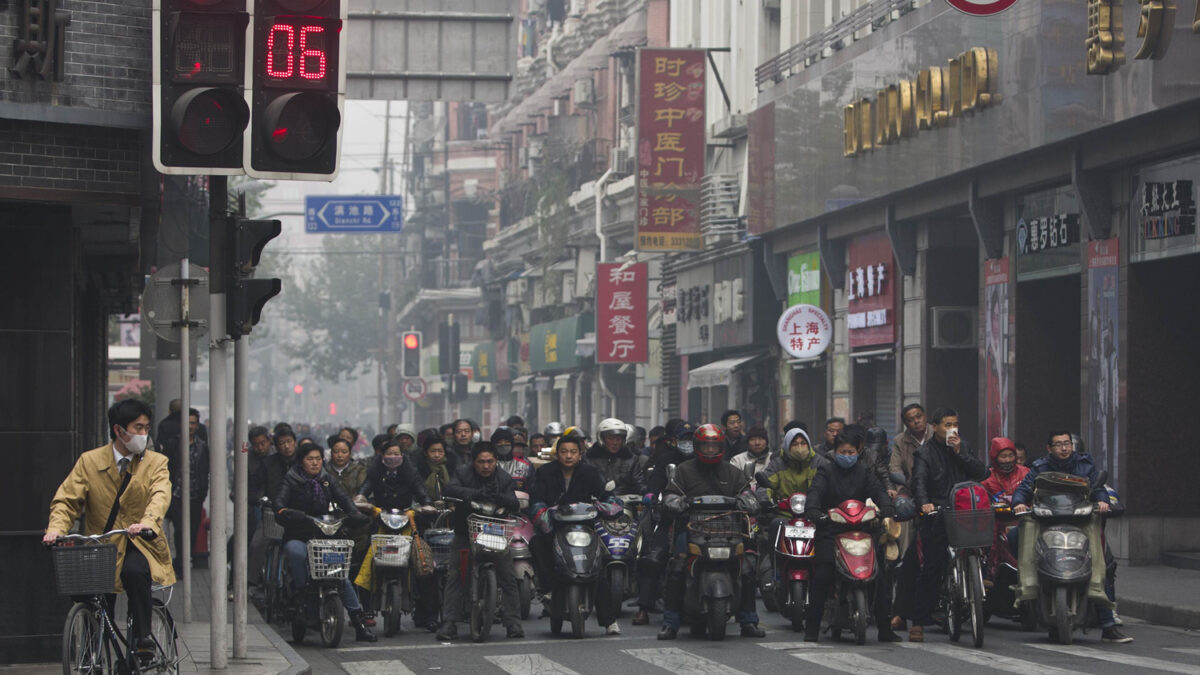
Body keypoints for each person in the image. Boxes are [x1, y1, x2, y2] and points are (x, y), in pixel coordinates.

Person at [45, 399, 174, 658]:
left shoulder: (156, 462)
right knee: (92, 597)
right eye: (138, 427)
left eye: (146, 427)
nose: (143, 434)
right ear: (118, 430)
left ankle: (142, 638)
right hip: (101, 544)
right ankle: (92, 652)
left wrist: (148, 523)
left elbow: (160, 495)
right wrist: (56, 528)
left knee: (135, 572)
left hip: (140, 542)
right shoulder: (89, 461)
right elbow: (67, 500)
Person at [1012, 431, 1130, 643]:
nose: (1064, 448)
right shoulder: (1039, 467)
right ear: (1050, 448)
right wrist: (1019, 502)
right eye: (1059, 444)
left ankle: (1108, 625)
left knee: (1100, 563)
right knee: (1025, 543)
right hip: (1046, 522)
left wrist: (1102, 502)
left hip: (1081, 522)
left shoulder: (1085, 465)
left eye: (1067, 444)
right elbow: (1024, 488)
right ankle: (1029, 592)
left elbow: (1098, 488)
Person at [657, 424, 765, 640]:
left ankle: (748, 621)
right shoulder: (684, 470)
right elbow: (670, 495)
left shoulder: (732, 471)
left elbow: (747, 493)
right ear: (698, 447)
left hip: (730, 531)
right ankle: (671, 623)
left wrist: (750, 501)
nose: (710, 451)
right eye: (705, 446)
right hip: (691, 531)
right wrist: (675, 503)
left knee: (747, 568)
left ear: (721, 447)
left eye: (714, 446)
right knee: (677, 568)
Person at [801, 426, 898, 642]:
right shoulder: (825, 471)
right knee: (823, 575)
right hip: (831, 530)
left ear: (858, 451)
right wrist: (815, 511)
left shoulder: (864, 472)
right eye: (843, 452)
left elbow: (879, 492)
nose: (847, 456)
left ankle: (885, 629)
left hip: (861, 530)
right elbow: (815, 494)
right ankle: (812, 629)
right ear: (835, 452)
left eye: (851, 452)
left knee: (880, 576)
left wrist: (887, 509)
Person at [274, 443, 376, 642]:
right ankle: (301, 597)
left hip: (325, 536)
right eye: (310, 459)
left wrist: (356, 515)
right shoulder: (291, 479)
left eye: (318, 459)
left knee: (341, 576)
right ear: (301, 461)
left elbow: (345, 500)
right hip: (299, 535)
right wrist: (288, 512)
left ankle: (359, 624)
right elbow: (279, 503)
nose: (314, 463)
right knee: (297, 553)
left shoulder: (326, 479)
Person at [908, 407, 988, 642]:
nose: (951, 428)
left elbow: (981, 472)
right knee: (932, 567)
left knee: (982, 549)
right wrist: (924, 504)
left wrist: (960, 451)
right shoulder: (925, 453)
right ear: (935, 426)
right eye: (946, 424)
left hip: (964, 512)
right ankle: (919, 622)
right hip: (938, 514)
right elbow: (919, 481)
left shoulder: (963, 447)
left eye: (954, 423)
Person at [530, 434, 619, 633]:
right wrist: (544, 514)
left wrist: (609, 506)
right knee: (537, 544)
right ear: (557, 454)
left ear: (580, 454)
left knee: (597, 567)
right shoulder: (545, 472)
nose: (568, 456)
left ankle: (610, 620)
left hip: (585, 528)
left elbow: (607, 496)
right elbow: (536, 500)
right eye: (563, 452)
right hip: (554, 528)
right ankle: (549, 591)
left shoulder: (590, 473)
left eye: (573, 452)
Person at [436, 444, 524, 640]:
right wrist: (475, 494)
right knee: (455, 576)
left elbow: (515, 503)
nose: (486, 466)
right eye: (481, 462)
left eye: (490, 462)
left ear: (496, 462)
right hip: (465, 533)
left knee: (508, 577)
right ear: (473, 462)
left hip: (496, 533)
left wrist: (498, 497)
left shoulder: (504, 478)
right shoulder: (462, 472)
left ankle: (513, 624)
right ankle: (449, 623)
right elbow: (450, 489)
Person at [354, 437, 435, 630]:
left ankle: (426, 613)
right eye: (389, 454)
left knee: (422, 562)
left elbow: (421, 492)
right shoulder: (374, 473)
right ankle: (365, 610)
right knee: (365, 559)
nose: (393, 457)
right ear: (382, 456)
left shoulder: (411, 473)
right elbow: (364, 489)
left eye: (397, 454)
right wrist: (361, 500)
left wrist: (427, 505)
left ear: (402, 456)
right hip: (381, 520)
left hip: (408, 522)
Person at [632, 419, 695, 626]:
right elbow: (656, 482)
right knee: (653, 557)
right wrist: (651, 494)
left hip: (703, 520)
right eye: (683, 439)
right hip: (673, 519)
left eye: (690, 439)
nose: (687, 443)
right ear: (674, 441)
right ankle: (643, 608)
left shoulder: (703, 459)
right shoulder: (665, 459)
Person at [888, 403, 929, 630]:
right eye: (911, 419)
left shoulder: (943, 440)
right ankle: (900, 611)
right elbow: (895, 470)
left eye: (919, 417)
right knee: (908, 547)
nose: (917, 422)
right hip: (912, 493)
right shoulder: (900, 441)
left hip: (938, 497)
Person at [327, 435, 370, 607]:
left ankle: (364, 608)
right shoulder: (324, 470)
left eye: (343, 452)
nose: (339, 455)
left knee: (359, 564)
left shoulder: (359, 470)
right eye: (336, 451)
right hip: (330, 522)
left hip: (355, 523)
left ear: (350, 453)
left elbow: (363, 492)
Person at [165, 407, 209, 573]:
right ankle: (181, 564)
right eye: (187, 423)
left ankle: (184, 560)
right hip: (177, 494)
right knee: (180, 529)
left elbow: (205, 470)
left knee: (192, 530)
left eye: (193, 423)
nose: (190, 426)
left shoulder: (202, 447)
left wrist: (204, 491)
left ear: (197, 426)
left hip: (196, 495)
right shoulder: (173, 443)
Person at [586, 418, 646, 496]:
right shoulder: (589, 458)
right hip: (596, 503)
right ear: (602, 439)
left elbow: (639, 482)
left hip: (625, 504)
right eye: (610, 439)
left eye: (618, 439)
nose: (615, 443)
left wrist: (647, 492)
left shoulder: (631, 459)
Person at [981, 437, 1029, 502]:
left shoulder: (1025, 473)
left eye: (1011, 456)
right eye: (1003, 456)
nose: (1008, 460)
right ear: (995, 458)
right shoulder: (987, 478)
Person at [492, 427, 534, 492]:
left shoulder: (525, 465)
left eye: (507, 441)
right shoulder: (489, 465)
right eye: (499, 442)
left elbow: (531, 488)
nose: (503, 444)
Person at [414, 435, 452, 502]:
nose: (437, 455)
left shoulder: (451, 468)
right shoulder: (419, 469)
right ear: (425, 453)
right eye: (433, 451)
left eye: (440, 451)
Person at [264, 425, 297, 501]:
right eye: (282, 443)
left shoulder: (303, 460)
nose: (287, 446)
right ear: (276, 446)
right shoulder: (268, 463)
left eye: (289, 441)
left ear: (295, 442)